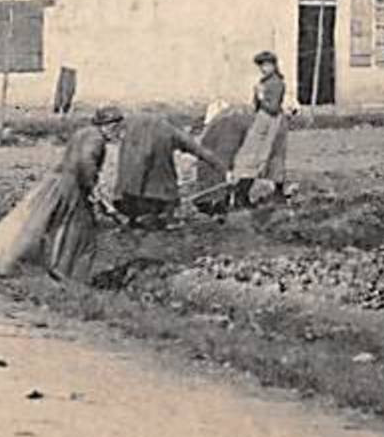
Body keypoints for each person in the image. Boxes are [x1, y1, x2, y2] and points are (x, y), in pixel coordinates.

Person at [95, 110, 230, 229]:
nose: (103, 134)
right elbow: (198, 150)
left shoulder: (133, 138)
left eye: (103, 129)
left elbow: (135, 171)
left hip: (144, 202)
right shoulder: (165, 129)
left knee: (144, 234)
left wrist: (117, 207)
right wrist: (225, 171)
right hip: (167, 197)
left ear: (111, 126)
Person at [42, 107, 120, 282]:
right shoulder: (96, 139)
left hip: (63, 184)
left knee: (65, 227)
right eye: (115, 127)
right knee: (85, 235)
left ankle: (58, 269)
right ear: (106, 125)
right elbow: (86, 163)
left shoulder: (83, 133)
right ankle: (72, 278)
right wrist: (94, 192)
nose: (116, 132)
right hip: (77, 188)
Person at [232, 50, 289, 203]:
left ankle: (278, 193)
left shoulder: (277, 83)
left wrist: (261, 97)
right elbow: (258, 107)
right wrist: (257, 98)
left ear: (274, 66)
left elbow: (273, 108)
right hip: (263, 120)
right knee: (252, 156)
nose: (264, 69)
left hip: (273, 122)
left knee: (273, 157)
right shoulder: (263, 83)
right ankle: (242, 193)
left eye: (267, 65)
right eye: (262, 66)